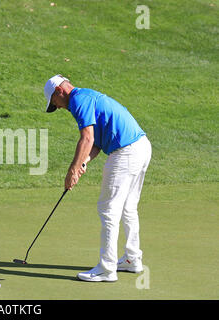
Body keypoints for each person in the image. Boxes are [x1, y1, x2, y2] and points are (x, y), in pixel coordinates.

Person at [43, 74, 152, 282]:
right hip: (141, 147)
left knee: (108, 209)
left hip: (126, 152)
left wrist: (72, 170)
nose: (56, 107)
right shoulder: (86, 96)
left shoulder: (77, 100)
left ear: (59, 91)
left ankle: (106, 268)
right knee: (128, 207)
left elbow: (87, 137)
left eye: (54, 103)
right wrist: (83, 163)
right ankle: (132, 258)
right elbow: (96, 143)